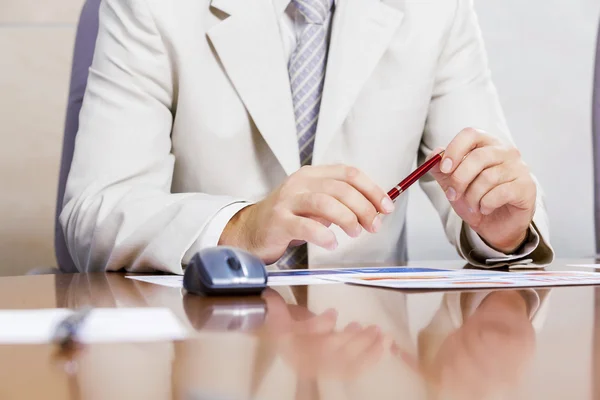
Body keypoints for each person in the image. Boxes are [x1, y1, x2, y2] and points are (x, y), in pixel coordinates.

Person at [61, 0, 554, 273]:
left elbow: (490, 183)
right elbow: (96, 211)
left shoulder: (438, 11)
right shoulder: (150, 8)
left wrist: (504, 229)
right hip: (200, 345)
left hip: (369, 351)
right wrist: (243, 229)